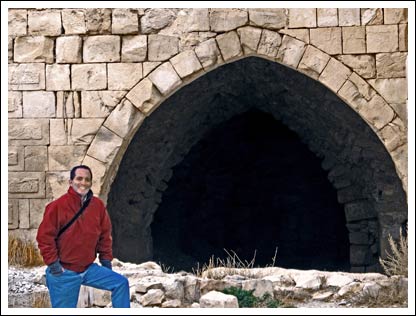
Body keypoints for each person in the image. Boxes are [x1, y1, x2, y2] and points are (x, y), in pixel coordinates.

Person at [36, 165, 130, 308]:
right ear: (70, 182)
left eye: (87, 179)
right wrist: (54, 265)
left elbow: (105, 235)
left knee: (121, 283)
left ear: (91, 183)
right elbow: (44, 238)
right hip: (64, 272)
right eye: (79, 178)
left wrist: (105, 262)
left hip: (88, 268)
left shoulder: (97, 206)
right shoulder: (57, 206)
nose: (83, 183)